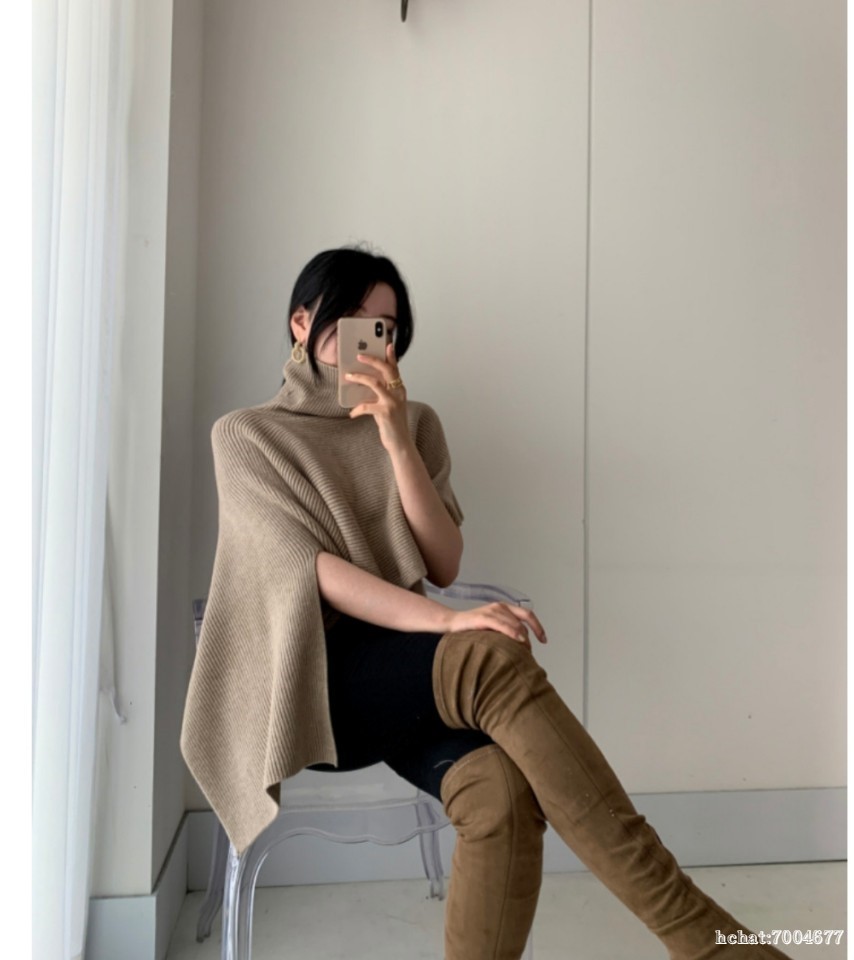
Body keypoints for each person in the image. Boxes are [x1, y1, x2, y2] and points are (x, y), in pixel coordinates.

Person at [184, 246, 794, 960]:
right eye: (353, 320)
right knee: (489, 655)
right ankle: (710, 944)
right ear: (301, 322)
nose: (373, 341)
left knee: (499, 793)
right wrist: (451, 622)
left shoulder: (417, 424)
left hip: (401, 673)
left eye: (387, 329)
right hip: (309, 683)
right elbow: (311, 572)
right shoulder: (247, 435)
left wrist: (396, 442)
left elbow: (443, 561)